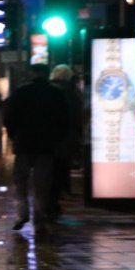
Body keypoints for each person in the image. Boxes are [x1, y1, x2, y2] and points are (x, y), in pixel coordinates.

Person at [3, 62, 69, 234]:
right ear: (47, 74)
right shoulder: (55, 93)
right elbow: (64, 120)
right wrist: (57, 139)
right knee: (42, 184)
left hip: (24, 144)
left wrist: (13, 135)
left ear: (32, 74)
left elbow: (9, 118)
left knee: (21, 182)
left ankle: (22, 214)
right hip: (46, 146)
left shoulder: (21, 92)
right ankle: (39, 219)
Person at [48, 64, 84, 218]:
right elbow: (77, 115)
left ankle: (51, 200)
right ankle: (59, 194)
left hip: (49, 137)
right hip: (67, 135)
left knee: (51, 168)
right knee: (62, 166)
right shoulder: (72, 92)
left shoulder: (48, 89)